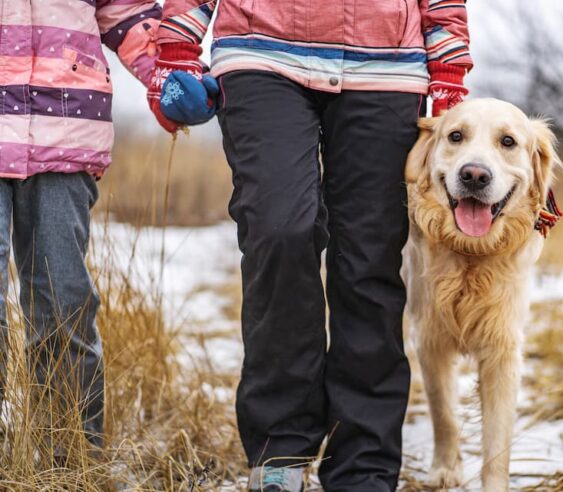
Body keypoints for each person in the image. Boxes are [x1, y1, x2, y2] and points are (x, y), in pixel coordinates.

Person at [149, 1, 472, 490]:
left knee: (369, 257)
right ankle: (280, 449)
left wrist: (448, 70)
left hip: (385, 64)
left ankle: (363, 465)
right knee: (279, 231)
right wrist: (177, 50)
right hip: (261, 50)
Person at [0, 1, 161, 452]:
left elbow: (127, 11)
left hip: (65, 130)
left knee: (62, 300)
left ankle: (69, 456)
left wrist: (170, 71)